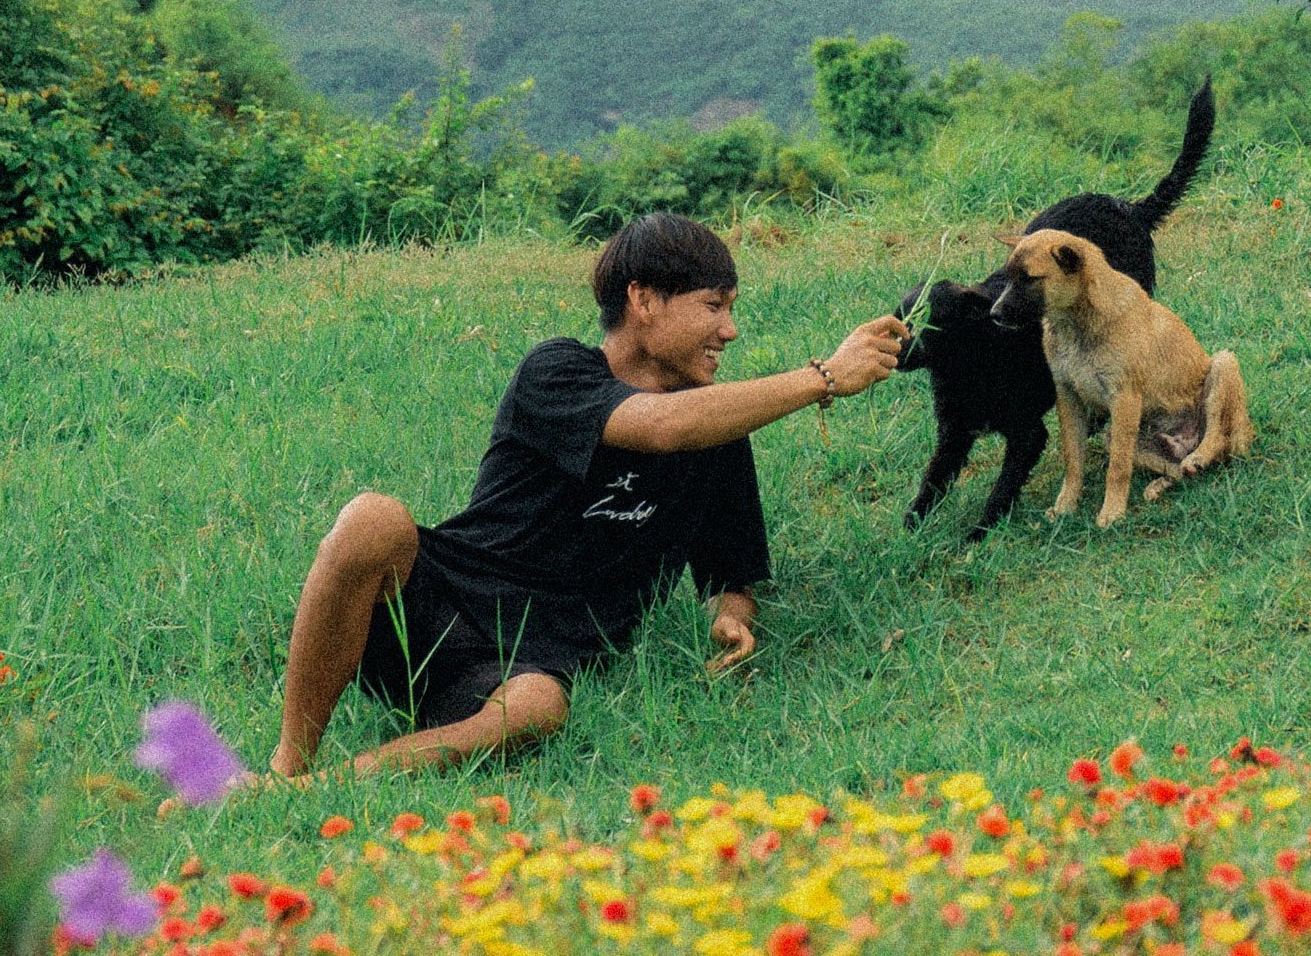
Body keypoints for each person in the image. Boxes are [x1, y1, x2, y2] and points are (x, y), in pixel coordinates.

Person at [268, 213, 907, 783]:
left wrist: (729, 617)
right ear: (644, 300)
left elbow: (729, 570)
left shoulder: (719, 429)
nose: (730, 330)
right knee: (372, 519)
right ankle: (286, 767)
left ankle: (333, 785)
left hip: (530, 661)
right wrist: (823, 377)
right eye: (713, 305)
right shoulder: (557, 371)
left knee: (539, 708)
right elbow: (658, 427)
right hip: (443, 603)